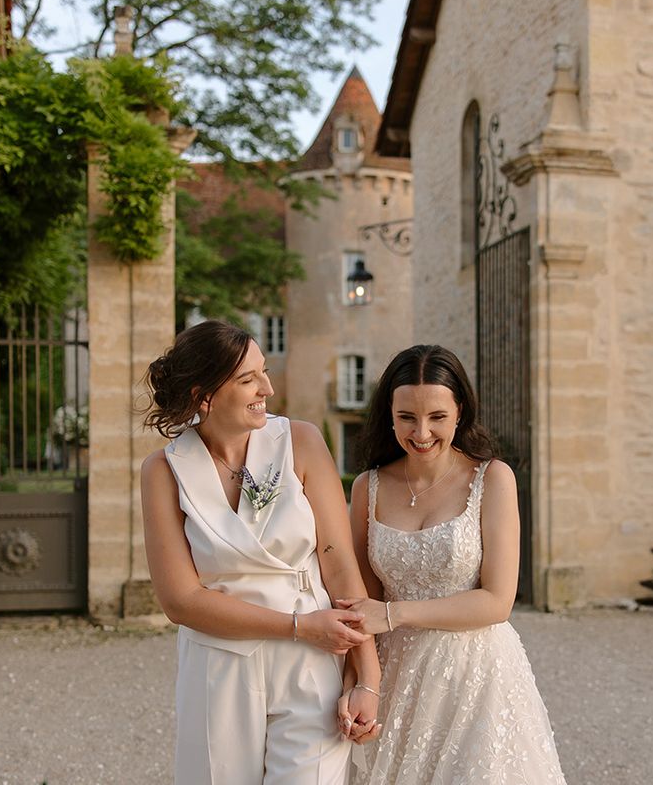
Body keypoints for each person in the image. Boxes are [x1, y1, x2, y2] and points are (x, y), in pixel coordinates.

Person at [140, 320, 382, 785]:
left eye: (263, 372)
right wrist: (297, 628)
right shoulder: (163, 471)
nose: (267, 388)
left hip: (313, 660)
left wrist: (366, 675)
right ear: (201, 395)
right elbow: (180, 601)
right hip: (219, 664)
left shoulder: (301, 441)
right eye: (248, 379)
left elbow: (341, 569)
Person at [339, 344, 567, 785]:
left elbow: (497, 602)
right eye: (407, 417)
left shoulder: (492, 478)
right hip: (397, 677)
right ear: (389, 412)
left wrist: (394, 613)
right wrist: (359, 683)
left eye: (436, 417)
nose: (421, 432)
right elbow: (360, 602)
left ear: (459, 411)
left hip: (476, 674)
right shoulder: (366, 487)